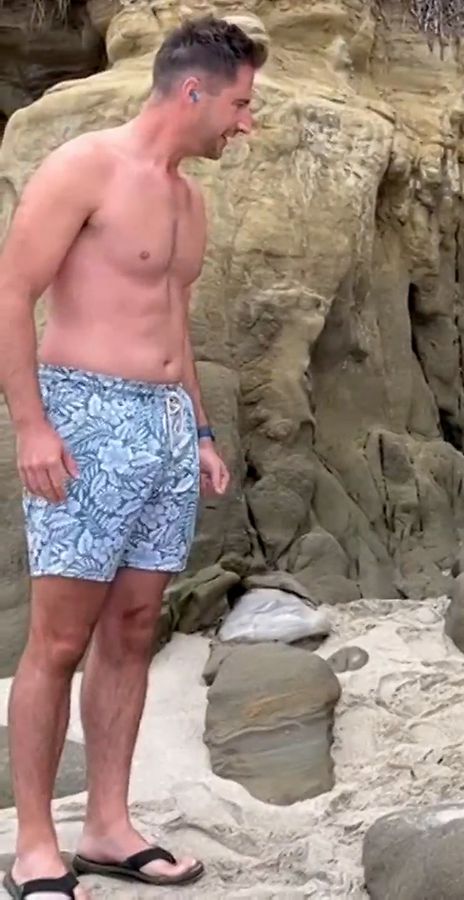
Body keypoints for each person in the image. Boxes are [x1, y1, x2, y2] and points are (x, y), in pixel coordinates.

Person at [0, 15, 266, 900]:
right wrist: (33, 426)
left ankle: (109, 827)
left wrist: (197, 430)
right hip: (84, 415)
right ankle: (37, 843)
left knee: (132, 628)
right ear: (193, 92)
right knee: (60, 638)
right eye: (239, 103)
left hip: (161, 425)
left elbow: (172, 322)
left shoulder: (192, 199)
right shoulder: (85, 167)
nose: (245, 122)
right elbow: (12, 291)